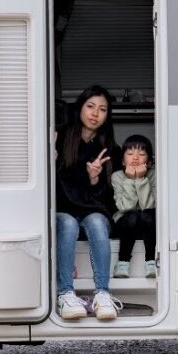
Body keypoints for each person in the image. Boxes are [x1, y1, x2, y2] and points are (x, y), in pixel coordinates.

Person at [54, 86, 120, 320]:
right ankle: (65, 294)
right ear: (80, 108)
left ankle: (102, 293)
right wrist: (85, 175)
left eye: (102, 109)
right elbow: (57, 180)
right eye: (90, 106)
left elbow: (110, 194)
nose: (95, 113)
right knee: (69, 225)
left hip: (93, 207)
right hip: (63, 207)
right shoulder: (61, 138)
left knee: (97, 225)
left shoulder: (109, 148)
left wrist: (94, 179)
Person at [111, 135, 157, 279]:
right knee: (131, 216)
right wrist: (131, 179)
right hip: (126, 223)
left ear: (149, 162)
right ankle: (123, 262)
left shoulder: (154, 175)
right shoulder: (117, 176)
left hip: (148, 223)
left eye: (142, 154)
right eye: (130, 154)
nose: (135, 158)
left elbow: (148, 205)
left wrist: (141, 179)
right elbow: (125, 206)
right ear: (123, 161)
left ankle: (151, 261)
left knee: (146, 215)